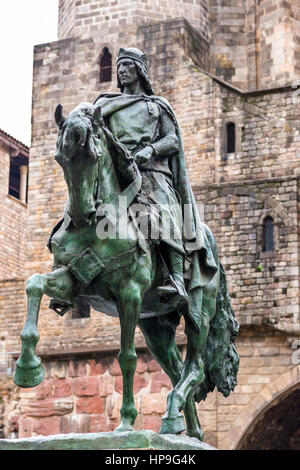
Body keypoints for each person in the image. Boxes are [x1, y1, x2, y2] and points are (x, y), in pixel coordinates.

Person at [94, 47, 217, 311]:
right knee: (85, 208)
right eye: (119, 66)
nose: (121, 70)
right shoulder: (105, 105)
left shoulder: (157, 106)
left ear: (139, 70)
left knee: (163, 211)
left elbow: (172, 140)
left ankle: (176, 279)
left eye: (127, 65)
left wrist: (150, 150)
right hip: (116, 174)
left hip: (152, 173)